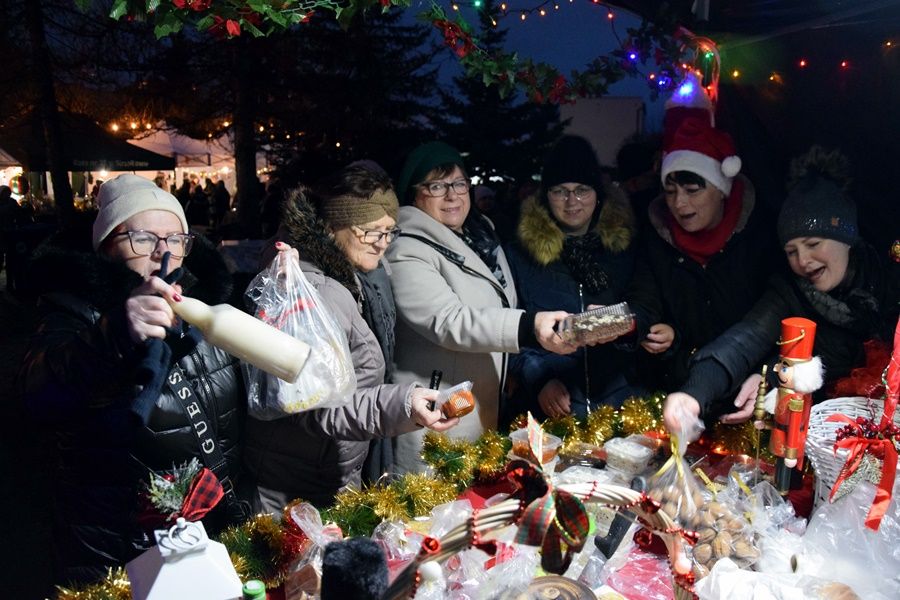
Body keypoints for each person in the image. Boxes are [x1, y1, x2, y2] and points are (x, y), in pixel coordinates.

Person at [18, 174, 252, 585]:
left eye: (176, 238)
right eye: (142, 238)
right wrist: (114, 335)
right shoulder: (76, 310)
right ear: (107, 246)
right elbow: (38, 394)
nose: (164, 251)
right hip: (116, 548)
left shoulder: (205, 307)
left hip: (211, 530)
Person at [244, 184, 458, 511]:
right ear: (333, 229)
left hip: (324, 473)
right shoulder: (314, 292)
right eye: (371, 231)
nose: (382, 243)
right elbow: (315, 405)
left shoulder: (357, 280)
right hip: (295, 493)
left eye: (389, 232)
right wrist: (405, 404)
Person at [663, 147, 900, 431]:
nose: (803, 260)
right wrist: (693, 394)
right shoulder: (789, 291)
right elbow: (743, 340)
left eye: (813, 244)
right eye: (791, 251)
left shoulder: (889, 278)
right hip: (825, 435)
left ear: (846, 238)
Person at [386, 141, 574, 474]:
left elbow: (500, 301)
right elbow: (450, 321)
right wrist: (527, 327)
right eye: (436, 186)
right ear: (413, 194)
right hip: (437, 417)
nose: (452, 195)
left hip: (480, 408)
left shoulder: (480, 235)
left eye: (459, 183)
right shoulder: (406, 248)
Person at [626, 80, 776, 395]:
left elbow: (767, 323)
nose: (679, 204)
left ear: (721, 190)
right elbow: (645, 300)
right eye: (670, 191)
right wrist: (638, 327)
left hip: (749, 390)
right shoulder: (657, 236)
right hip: (680, 388)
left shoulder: (760, 236)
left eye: (693, 190)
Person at [505, 135, 640, 421]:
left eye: (581, 190)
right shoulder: (519, 256)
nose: (571, 202)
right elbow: (507, 328)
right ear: (546, 195)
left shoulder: (625, 249)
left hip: (622, 408)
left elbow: (648, 312)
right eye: (560, 191)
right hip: (551, 414)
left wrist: (626, 327)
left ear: (597, 193)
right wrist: (539, 379)